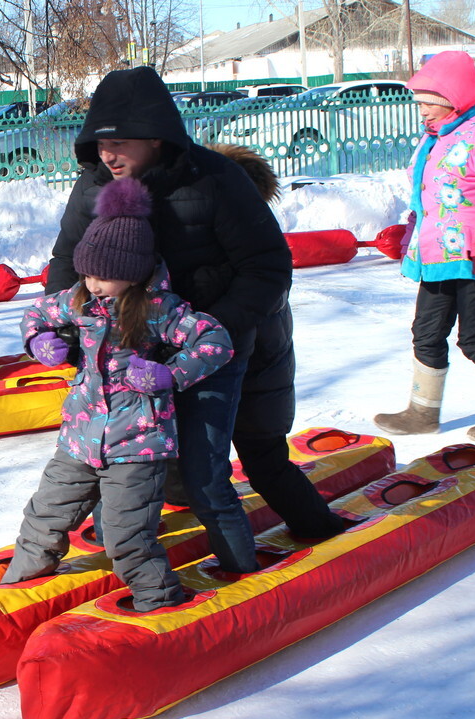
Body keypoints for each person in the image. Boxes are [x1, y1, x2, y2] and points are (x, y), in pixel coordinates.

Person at [46, 67, 344, 575]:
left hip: (228, 340)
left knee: (252, 452)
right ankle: (128, 551)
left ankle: (317, 533)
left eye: (119, 142)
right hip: (138, 352)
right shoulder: (94, 185)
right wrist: (64, 327)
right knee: (132, 457)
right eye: (99, 143)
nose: (107, 154)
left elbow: (268, 266)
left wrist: (208, 332)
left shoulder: (212, 179)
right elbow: (67, 264)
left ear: (156, 136)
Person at [2, 176, 234, 611]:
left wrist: (170, 374)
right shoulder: (77, 300)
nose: (93, 283)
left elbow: (215, 341)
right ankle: (17, 596)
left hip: (138, 446)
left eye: (104, 277)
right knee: (43, 517)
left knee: (128, 538)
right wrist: (38, 342)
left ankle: (159, 604)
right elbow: (35, 314)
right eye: (88, 272)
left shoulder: (159, 309)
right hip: (78, 440)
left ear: (133, 272)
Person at [374, 50, 475, 443]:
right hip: (437, 257)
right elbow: (428, 195)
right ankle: (422, 412)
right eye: (419, 104)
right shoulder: (434, 138)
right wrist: (411, 231)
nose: (423, 112)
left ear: (454, 97)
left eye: (429, 103)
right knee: (426, 332)